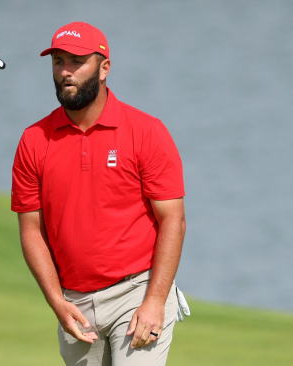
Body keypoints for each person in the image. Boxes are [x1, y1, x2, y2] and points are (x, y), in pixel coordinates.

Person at [11, 21, 186, 366]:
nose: (66, 72)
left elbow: (174, 221)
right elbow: (31, 229)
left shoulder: (146, 132)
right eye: (58, 62)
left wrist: (155, 300)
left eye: (77, 62)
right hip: (74, 301)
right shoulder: (34, 140)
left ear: (104, 68)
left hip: (136, 292)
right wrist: (56, 301)